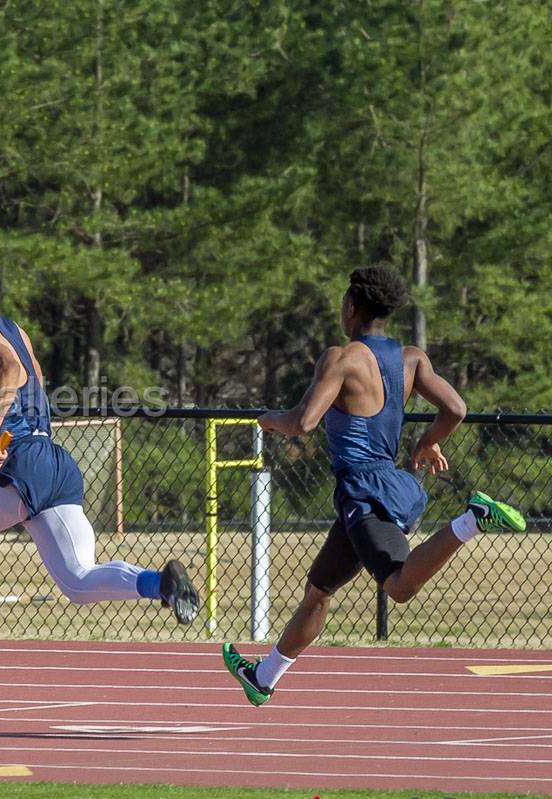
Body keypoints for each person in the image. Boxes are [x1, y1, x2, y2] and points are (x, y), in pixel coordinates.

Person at [0, 257, 200, 697]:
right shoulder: (18, 331)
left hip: (18, 463)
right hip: (54, 463)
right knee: (78, 581)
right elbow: (23, 387)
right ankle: (158, 584)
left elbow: (12, 374)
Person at [222, 265, 526, 706]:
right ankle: (264, 677)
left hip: (362, 492)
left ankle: (471, 520)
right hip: (381, 483)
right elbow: (456, 408)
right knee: (318, 591)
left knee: (398, 587)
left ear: (350, 308)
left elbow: (304, 422)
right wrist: (428, 440)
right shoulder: (411, 358)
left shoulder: (341, 359)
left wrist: (266, 419)